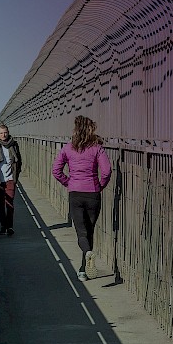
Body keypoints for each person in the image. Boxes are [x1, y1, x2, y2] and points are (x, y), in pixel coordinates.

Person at [52, 115, 112, 281]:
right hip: (93, 193)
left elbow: (56, 171)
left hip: (75, 194)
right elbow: (107, 171)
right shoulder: (97, 148)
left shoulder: (67, 148)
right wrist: (100, 185)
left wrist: (68, 182)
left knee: (81, 233)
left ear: (75, 130)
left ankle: (85, 261)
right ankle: (84, 268)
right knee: (90, 230)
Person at [0, 124, 22, 236]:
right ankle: (3, 226)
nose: (3, 135)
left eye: (5, 132)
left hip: (10, 178)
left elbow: (19, 161)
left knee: (10, 203)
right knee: (1, 203)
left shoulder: (13, 145)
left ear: (8, 132)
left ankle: (10, 226)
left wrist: (16, 174)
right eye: (1, 133)